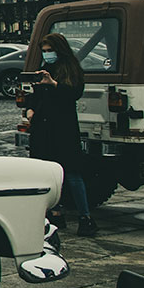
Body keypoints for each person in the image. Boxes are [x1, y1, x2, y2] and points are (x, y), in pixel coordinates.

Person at [25, 32, 97, 236]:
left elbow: (74, 93)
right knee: (47, 173)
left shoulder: (71, 68)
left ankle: (85, 217)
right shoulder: (46, 68)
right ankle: (55, 213)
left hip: (63, 127)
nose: (47, 55)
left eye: (50, 51)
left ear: (59, 50)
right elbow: (37, 95)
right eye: (44, 51)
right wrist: (30, 108)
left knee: (72, 173)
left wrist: (54, 84)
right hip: (43, 126)